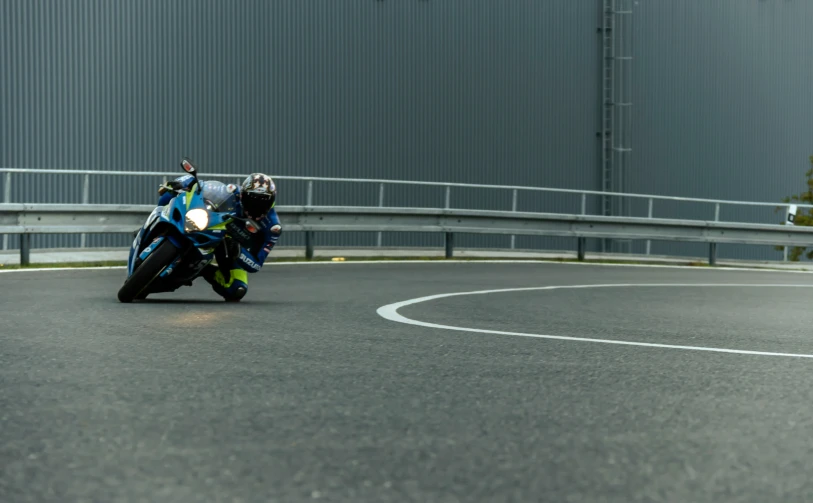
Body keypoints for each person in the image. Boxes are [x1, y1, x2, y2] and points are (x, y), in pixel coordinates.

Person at [157, 172, 282, 301]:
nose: (255, 206)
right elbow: (203, 186)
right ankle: (158, 223)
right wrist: (183, 183)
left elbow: (256, 265)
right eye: (252, 200)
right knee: (171, 192)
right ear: (243, 195)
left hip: (231, 251)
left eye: (262, 202)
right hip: (209, 228)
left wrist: (239, 252)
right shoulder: (232, 192)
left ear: (271, 202)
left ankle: (204, 270)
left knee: (237, 289)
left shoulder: (273, 228)